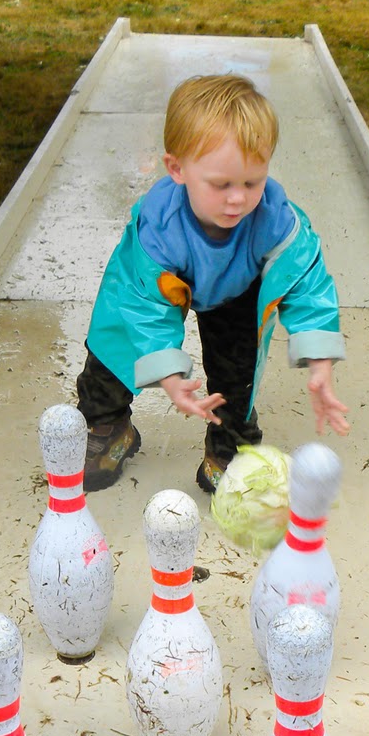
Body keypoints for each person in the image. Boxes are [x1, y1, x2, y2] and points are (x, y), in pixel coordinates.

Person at [76, 73, 349, 494]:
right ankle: (109, 425)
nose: (237, 198)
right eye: (220, 184)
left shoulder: (276, 221)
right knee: (115, 344)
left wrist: (320, 361)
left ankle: (228, 451)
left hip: (237, 290)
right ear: (177, 169)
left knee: (237, 372)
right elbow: (144, 309)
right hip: (155, 283)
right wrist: (169, 376)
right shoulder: (158, 230)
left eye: (252, 182)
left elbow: (306, 282)